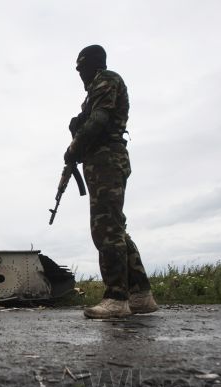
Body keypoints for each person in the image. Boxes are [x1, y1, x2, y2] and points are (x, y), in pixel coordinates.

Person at [64, 44, 158, 319]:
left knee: (105, 229)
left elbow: (99, 121)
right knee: (115, 228)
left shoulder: (106, 80)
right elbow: (89, 120)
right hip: (102, 161)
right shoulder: (96, 89)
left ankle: (116, 298)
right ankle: (141, 294)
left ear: (92, 64)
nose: (78, 72)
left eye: (81, 67)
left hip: (106, 160)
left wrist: (73, 149)